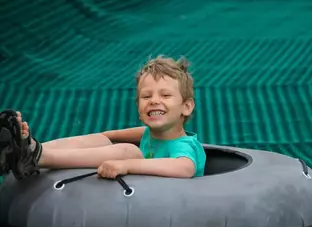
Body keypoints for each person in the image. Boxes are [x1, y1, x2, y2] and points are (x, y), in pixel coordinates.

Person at [0, 55, 206, 180]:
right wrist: (96, 140)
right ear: (139, 107)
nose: (153, 101)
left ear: (186, 107)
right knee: (101, 138)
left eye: (165, 95)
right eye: (146, 96)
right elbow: (109, 135)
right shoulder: (147, 133)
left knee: (129, 151)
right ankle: (27, 148)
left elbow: (184, 168)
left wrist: (126, 164)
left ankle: (39, 156)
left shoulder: (184, 146)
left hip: (170, 207)